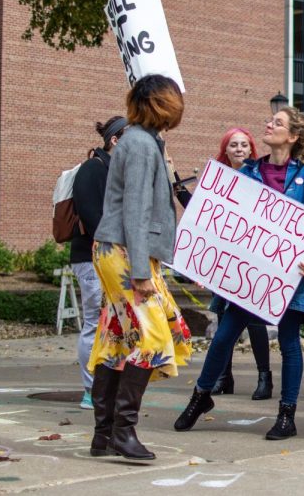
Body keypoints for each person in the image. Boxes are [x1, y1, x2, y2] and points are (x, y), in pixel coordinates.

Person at [174, 107, 304, 440]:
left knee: (290, 344)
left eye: (277, 123)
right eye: (270, 120)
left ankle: (286, 416)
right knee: (223, 337)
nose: (269, 124)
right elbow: (218, 222)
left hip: (290, 279)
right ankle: (201, 396)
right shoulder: (247, 173)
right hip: (246, 280)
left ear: (292, 137)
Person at [87, 74, 192, 461]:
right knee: (151, 338)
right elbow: (135, 207)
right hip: (126, 252)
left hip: (119, 249)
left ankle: (104, 434)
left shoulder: (140, 142)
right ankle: (122, 432)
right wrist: (142, 273)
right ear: (165, 105)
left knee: (117, 337)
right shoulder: (142, 145)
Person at [207, 128, 274, 400]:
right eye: (233, 145)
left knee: (255, 321)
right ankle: (224, 377)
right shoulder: (217, 180)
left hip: (252, 259)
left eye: (243, 145)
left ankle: (264, 378)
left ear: (251, 150)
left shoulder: (260, 177)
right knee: (224, 320)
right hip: (225, 260)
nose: (238, 149)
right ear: (225, 150)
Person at [70, 115, 128, 410]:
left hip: (110, 257)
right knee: (94, 322)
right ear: (115, 141)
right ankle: (91, 389)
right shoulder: (92, 169)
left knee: (111, 324)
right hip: (91, 258)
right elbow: (92, 216)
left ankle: (105, 386)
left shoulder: (115, 171)